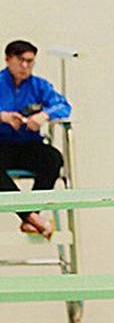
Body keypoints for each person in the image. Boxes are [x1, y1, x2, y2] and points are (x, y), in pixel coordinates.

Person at [0, 40, 70, 238]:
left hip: (28, 144)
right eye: (20, 60)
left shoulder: (39, 86)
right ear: (8, 59)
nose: (25, 66)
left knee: (53, 159)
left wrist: (44, 115)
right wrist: (3, 117)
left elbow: (63, 105)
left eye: (30, 61)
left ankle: (31, 217)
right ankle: (31, 217)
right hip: (2, 145)